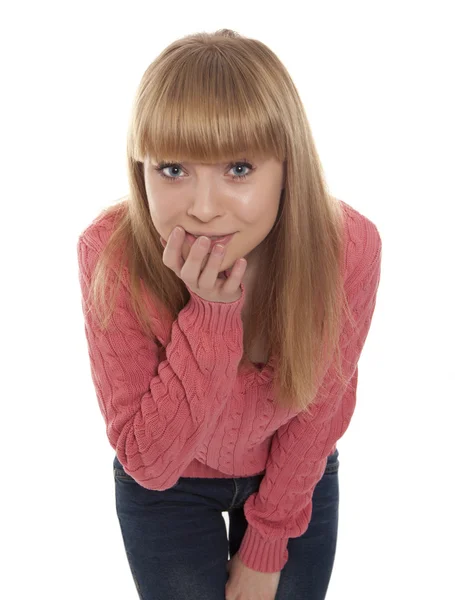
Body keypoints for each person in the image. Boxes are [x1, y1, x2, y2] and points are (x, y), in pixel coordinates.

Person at [77, 28, 382, 600]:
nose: (203, 207)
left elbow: (319, 411)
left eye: (238, 169)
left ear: (286, 166)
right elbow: (150, 463)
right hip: (170, 485)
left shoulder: (349, 249)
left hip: (290, 475)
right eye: (173, 169)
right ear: (140, 167)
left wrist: (267, 546)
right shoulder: (109, 254)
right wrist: (211, 313)